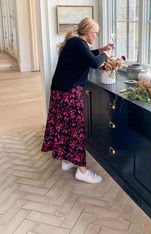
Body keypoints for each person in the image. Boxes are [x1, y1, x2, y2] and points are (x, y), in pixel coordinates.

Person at [41, 17, 114, 183]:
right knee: (75, 130)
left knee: (66, 127)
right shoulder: (77, 43)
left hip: (62, 91)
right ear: (88, 33)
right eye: (96, 33)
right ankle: (82, 170)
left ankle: (67, 161)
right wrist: (105, 54)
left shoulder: (76, 43)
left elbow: (88, 56)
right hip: (68, 93)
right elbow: (94, 62)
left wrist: (101, 50)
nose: (96, 36)